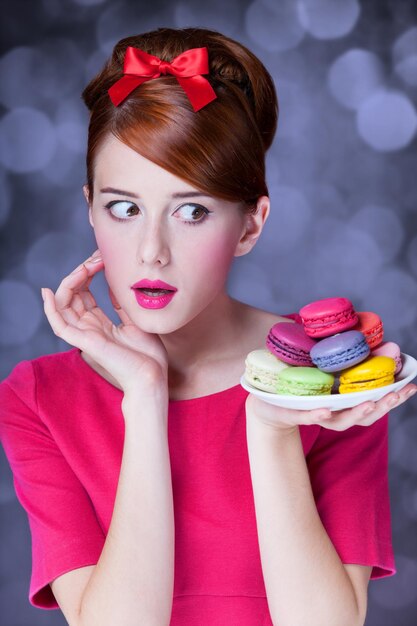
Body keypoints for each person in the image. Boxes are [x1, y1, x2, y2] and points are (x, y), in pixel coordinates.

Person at [0, 26, 415, 626]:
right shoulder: (36, 399)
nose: (151, 251)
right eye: (125, 208)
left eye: (192, 210)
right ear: (89, 208)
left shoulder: (332, 376)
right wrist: (145, 395)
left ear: (250, 225)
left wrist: (272, 427)